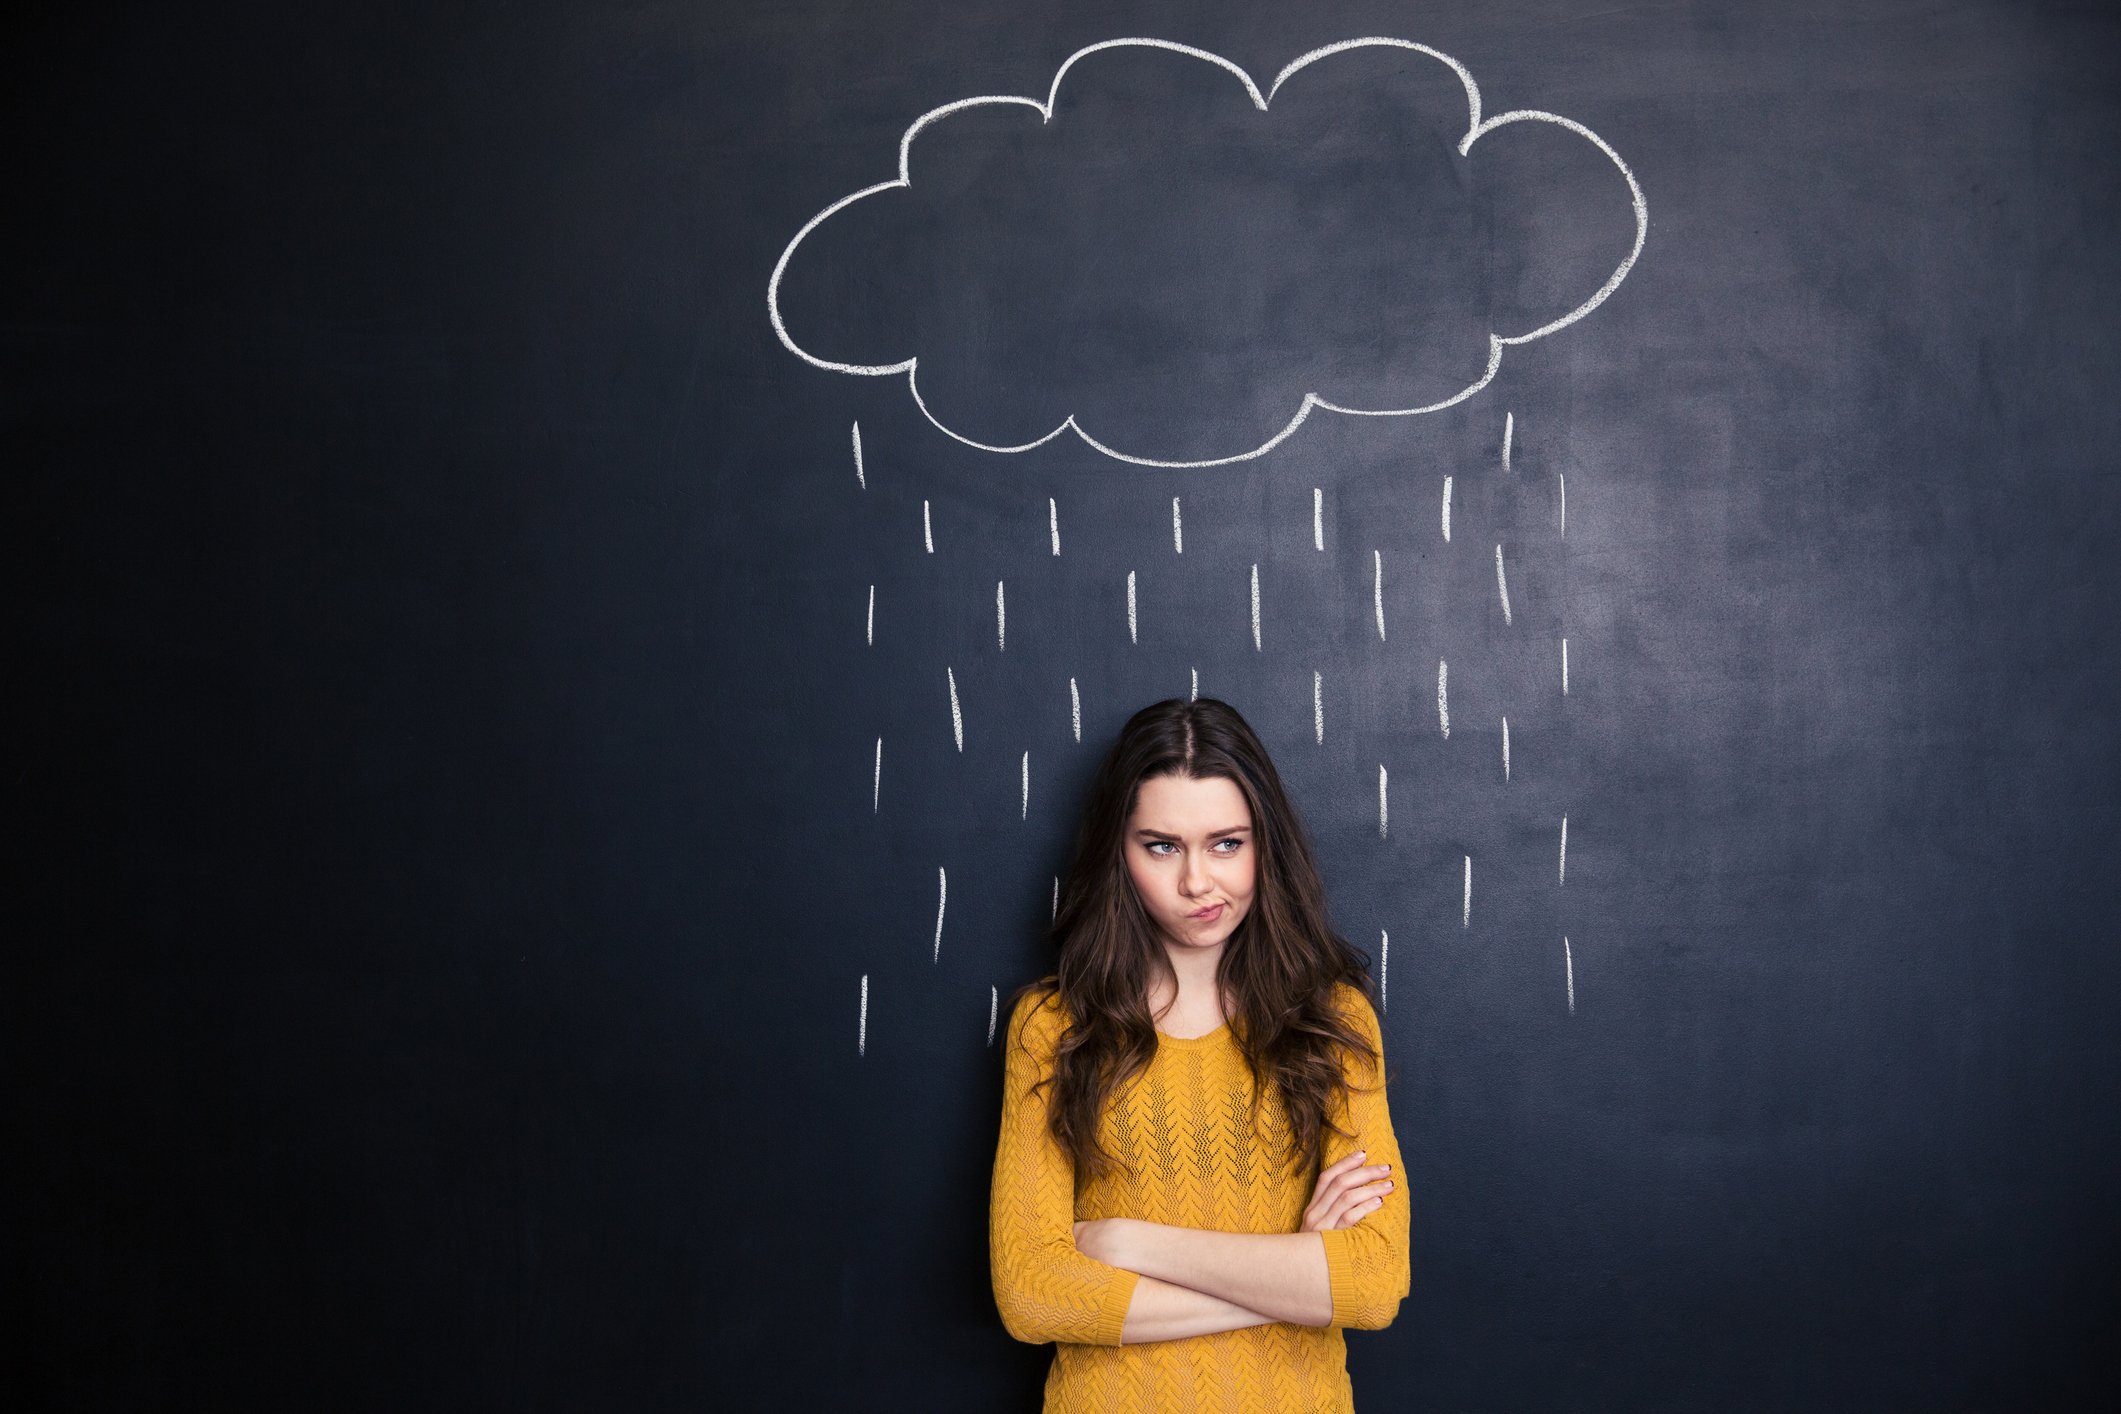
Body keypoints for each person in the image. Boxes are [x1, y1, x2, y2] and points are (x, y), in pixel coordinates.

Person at [990, 696, 1410, 1412]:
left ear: (1264, 845)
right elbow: (1031, 1295)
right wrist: (1295, 1278)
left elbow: (1371, 1285)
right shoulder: (1052, 1027)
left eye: (1226, 843)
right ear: (1117, 852)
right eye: (1160, 845)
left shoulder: (1332, 1021)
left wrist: (1127, 1242)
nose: (1195, 883)